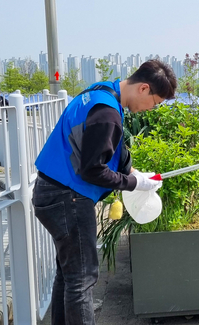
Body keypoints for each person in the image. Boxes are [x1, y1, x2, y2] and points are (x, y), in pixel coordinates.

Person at [32, 59, 177, 324]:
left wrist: (134, 173)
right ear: (144, 88)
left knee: (69, 274)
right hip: (68, 197)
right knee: (82, 279)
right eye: (155, 103)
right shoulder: (108, 113)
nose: (150, 110)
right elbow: (92, 170)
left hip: (52, 191)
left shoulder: (100, 93)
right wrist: (135, 184)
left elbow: (108, 149)